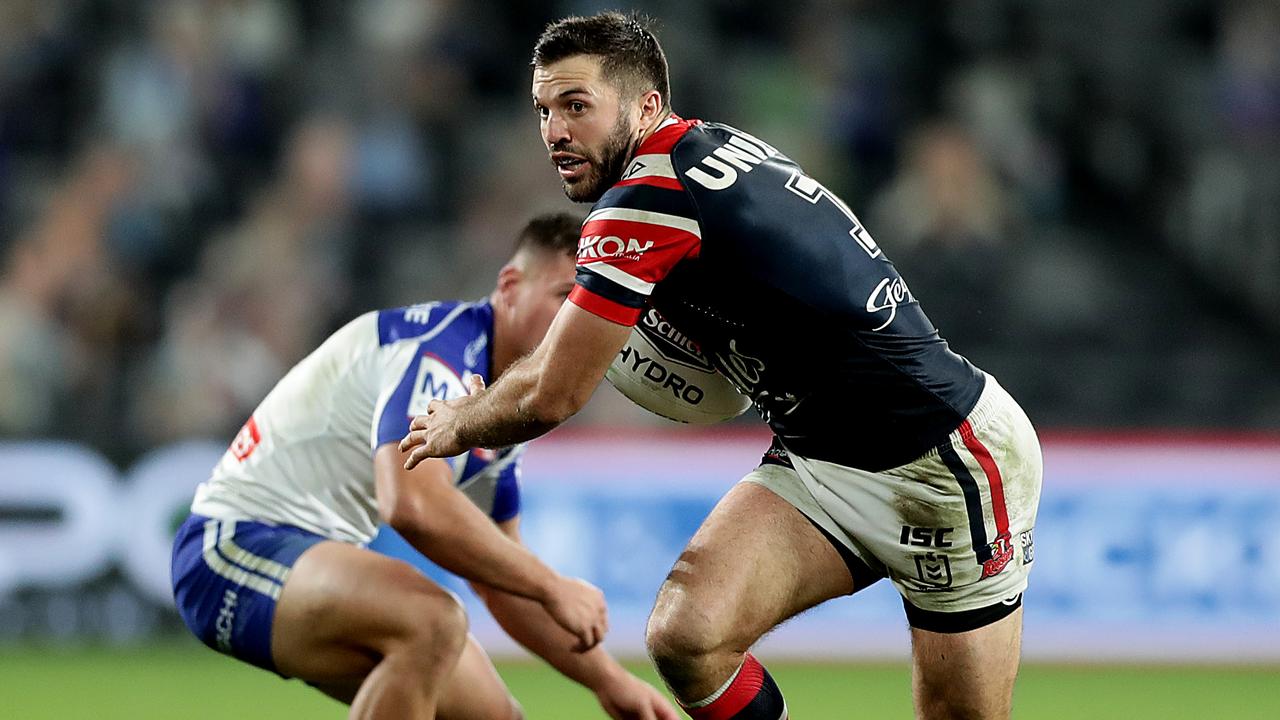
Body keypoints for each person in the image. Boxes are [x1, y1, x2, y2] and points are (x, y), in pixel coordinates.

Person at [399, 13, 1042, 720]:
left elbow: (554, 392)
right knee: (689, 635)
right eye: (544, 110)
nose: (554, 131)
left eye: (576, 106)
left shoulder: (645, 204)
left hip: (943, 461)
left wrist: (459, 422)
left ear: (644, 106)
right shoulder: (711, 149)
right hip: (820, 456)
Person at [171, 212, 678, 720]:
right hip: (233, 545)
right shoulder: (445, 353)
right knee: (432, 620)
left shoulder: (503, 407)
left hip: (303, 560)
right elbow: (409, 502)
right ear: (509, 287)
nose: (575, 319)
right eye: (563, 295)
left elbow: (499, 578)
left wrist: (612, 684)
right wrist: (552, 584)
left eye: (587, 304)